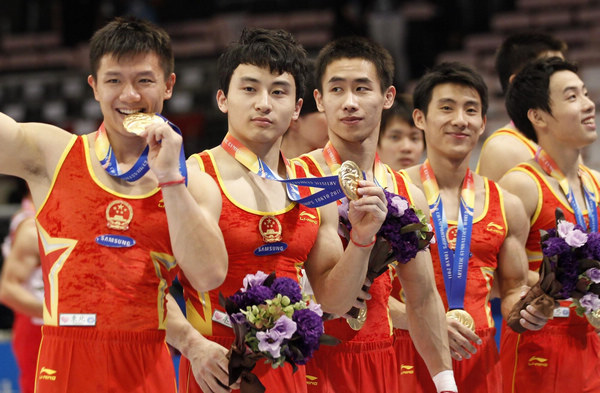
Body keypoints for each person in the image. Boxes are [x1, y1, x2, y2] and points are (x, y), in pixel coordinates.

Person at [0, 17, 228, 393]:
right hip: (65, 361)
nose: (130, 96)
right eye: (114, 80)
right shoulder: (53, 154)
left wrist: (171, 179)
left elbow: (208, 278)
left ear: (168, 85)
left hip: (145, 365)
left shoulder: (194, 184)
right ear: (93, 86)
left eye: (144, 80)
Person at [166, 28, 388, 393]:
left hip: (289, 373)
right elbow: (148, 286)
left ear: (297, 107)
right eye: (249, 89)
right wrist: (193, 346)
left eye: (279, 92)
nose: (264, 103)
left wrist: (362, 240)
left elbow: (334, 299)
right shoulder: (194, 177)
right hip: (216, 372)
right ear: (223, 99)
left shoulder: (313, 185)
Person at [295, 36, 456, 393]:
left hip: (381, 358)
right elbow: (329, 301)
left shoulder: (408, 192)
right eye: (337, 89)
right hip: (311, 361)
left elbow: (424, 297)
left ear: (387, 97)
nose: (349, 102)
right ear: (319, 100)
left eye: (362, 88)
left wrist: (446, 382)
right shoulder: (298, 179)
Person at [397, 62, 548, 393]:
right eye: (447, 108)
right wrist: (428, 323)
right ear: (420, 118)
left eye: (471, 110)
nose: (460, 120)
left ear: (482, 124)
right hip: (406, 355)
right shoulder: (396, 194)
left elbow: (510, 290)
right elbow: (373, 297)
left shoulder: (507, 205)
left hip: (480, 360)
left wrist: (527, 309)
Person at [498, 57, 600, 393]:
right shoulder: (520, 185)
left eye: (585, 94)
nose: (588, 105)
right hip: (542, 340)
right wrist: (571, 285)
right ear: (538, 116)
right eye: (572, 97)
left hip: (592, 338)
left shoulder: (597, 183)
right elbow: (497, 278)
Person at [476, 32, 567, 181]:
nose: (564, 78)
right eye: (551, 71)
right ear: (517, 82)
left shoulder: (562, 142)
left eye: (563, 69)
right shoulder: (503, 149)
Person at [0, 189, 41, 393]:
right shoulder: (33, 228)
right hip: (38, 327)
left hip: (61, 326)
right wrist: (61, 315)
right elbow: (7, 289)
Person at [281, 61, 329, 158]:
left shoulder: (337, 168)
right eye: (325, 112)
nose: (334, 119)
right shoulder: (261, 169)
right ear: (294, 117)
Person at [377, 94, 425, 171]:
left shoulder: (432, 182)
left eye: (414, 138)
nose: (406, 147)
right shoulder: (360, 181)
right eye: (395, 137)